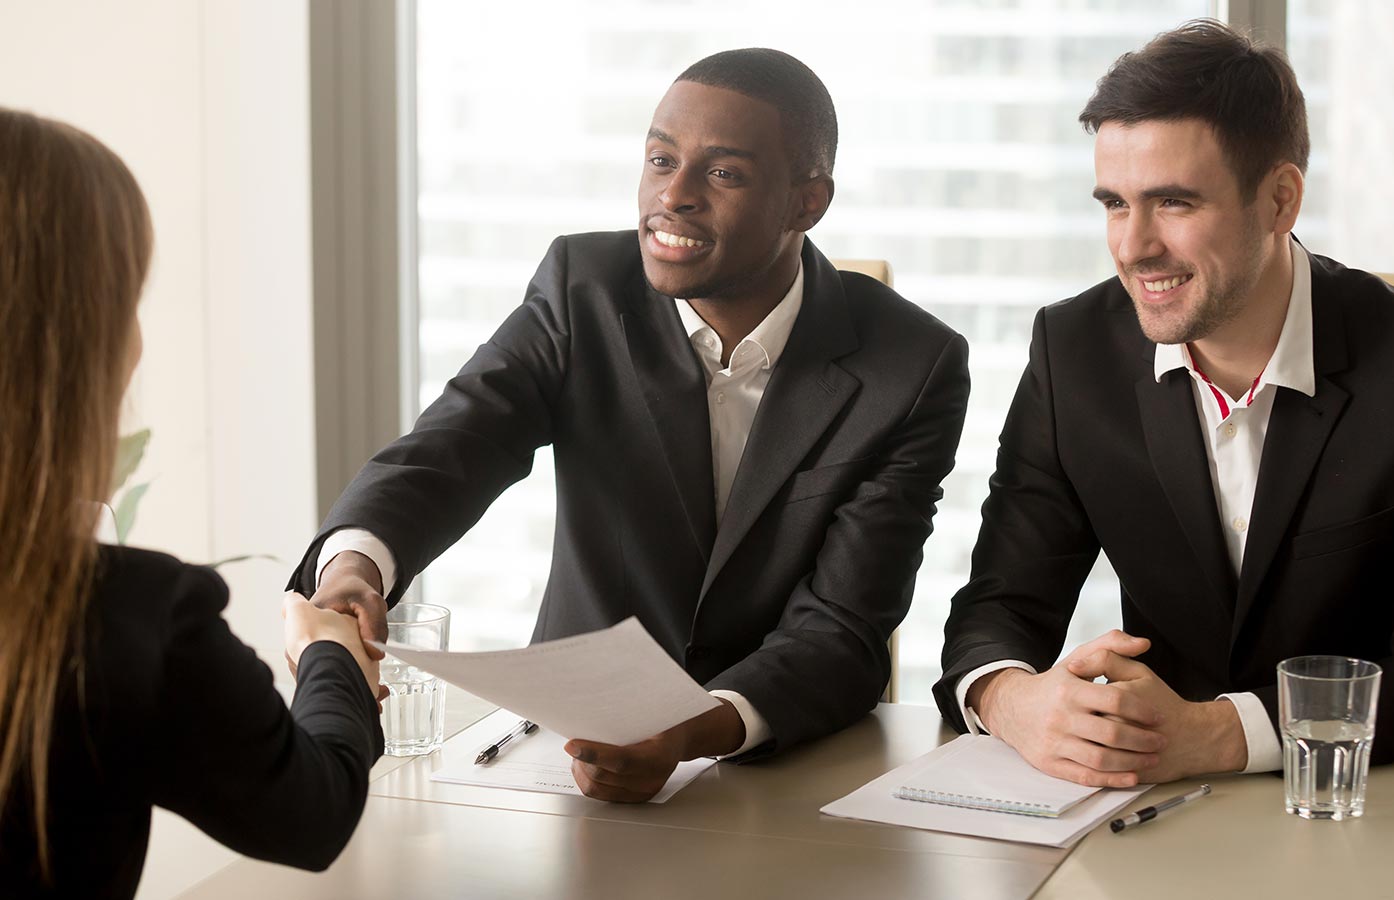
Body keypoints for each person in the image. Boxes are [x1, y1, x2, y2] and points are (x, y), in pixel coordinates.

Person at [292, 48, 970, 801]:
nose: (672, 195)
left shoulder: (913, 365)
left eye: (722, 173)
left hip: (786, 762)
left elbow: (842, 627)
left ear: (806, 204)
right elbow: (459, 442)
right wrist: (356, 565)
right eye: (659, 159)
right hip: (559, 751)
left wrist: (696, 729)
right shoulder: (581, 290)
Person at [936, 19, 1394, 788]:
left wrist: (1216, 733)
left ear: (1279, 200)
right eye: (1113, 203)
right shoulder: (1071, 353)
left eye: (1173, 203)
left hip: (1385, 805)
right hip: (1162, 813)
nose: (1133, 247)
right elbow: (998, 607)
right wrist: (1014, 700)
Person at [0, 108, 385, 898]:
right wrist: (330, 657)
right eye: (129, 300)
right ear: (80, 343)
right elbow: (310, 813)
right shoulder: (123, 619)